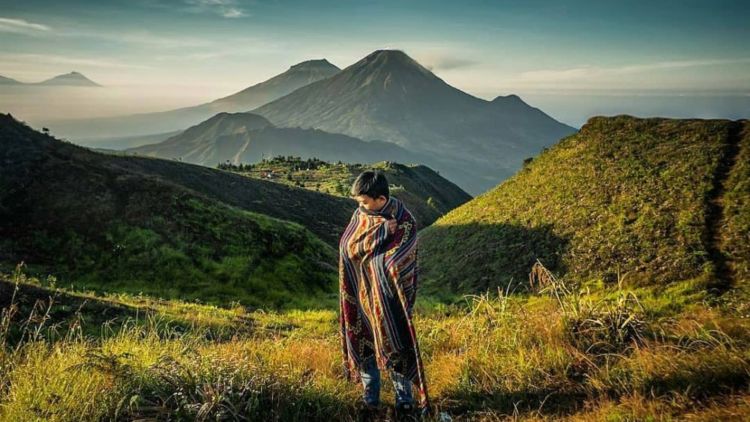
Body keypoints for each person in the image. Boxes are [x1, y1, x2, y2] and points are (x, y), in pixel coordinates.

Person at [338, 170, 431, 419]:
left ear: (380, 199)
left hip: (389, 301)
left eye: (365, 201)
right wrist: (380, 235)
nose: (361, 206)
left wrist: (377, 253)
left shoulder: (404, 220)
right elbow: (347, 248)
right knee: (365, 344)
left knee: (396, 344)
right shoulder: (361, 215)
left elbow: (396, 261)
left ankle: (405, 402)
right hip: (361, 297)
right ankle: (370, 399)